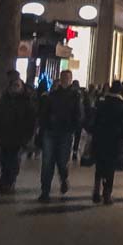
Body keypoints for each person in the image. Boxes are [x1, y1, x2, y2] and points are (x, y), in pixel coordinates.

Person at [38, 69, 83, 201]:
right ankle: (45, 191)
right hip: (51, 132)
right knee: (47, 163)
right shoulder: (52, 95)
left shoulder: (75, 96)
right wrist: (45, 125)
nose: (65, 80)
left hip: (65, 132)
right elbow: (44, 113)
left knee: (62, 162)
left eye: (67, 78)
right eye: (63, 78)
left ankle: (64, 179)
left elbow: (79, 114)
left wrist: (74, 127)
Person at [0, 71, 36, 194]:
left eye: (17, 86)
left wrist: (28, 136)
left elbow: (31, 119)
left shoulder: (27, 101)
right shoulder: (5, 99)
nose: (15, 88)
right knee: (4, 159)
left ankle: (9, 181)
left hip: (18, 136)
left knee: (13, 160)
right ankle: (5, 179)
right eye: (14, 85)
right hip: (4, 134)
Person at [89, 82, 123, 204]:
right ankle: (107, 193)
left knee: (99, 166)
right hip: (114, 140)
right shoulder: (122, 106)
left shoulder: (101, 103)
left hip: (100, 138)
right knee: (110, 168)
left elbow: (94, 121)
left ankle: (96, 190)